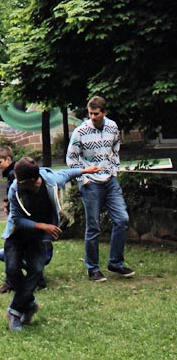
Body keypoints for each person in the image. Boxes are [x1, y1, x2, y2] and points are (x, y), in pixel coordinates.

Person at [3, 157, 99, 331]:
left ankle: (15, 311)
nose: (15, 182)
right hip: (16, 235)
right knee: (11, 270)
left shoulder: (50, 182)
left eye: (18, 179)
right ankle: (29, 303)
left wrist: (85, 170)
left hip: (38, 238)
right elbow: (17, 219)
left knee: (37, 270)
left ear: (32, 181)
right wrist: (42, 225)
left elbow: (66, 173)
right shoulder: (15, 189)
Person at [66, 96, 135, 282]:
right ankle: (93, 268)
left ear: (104, 112)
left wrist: (113, 170)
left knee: (122, 219)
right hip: (91, 183)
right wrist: (82, 179)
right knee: (93, 226)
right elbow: (71, 158)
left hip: (110, 180)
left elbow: (115, 149)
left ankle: (115, 263)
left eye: (96, 114)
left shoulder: (112, 127)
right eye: (90, 114)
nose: (93, 117)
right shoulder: (81, 131)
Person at [0, 146, 16, 294]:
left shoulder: (14, 174)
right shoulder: (11, 174)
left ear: (9, 160)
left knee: (10, 247)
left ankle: (10, 282)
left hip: (16, 218)